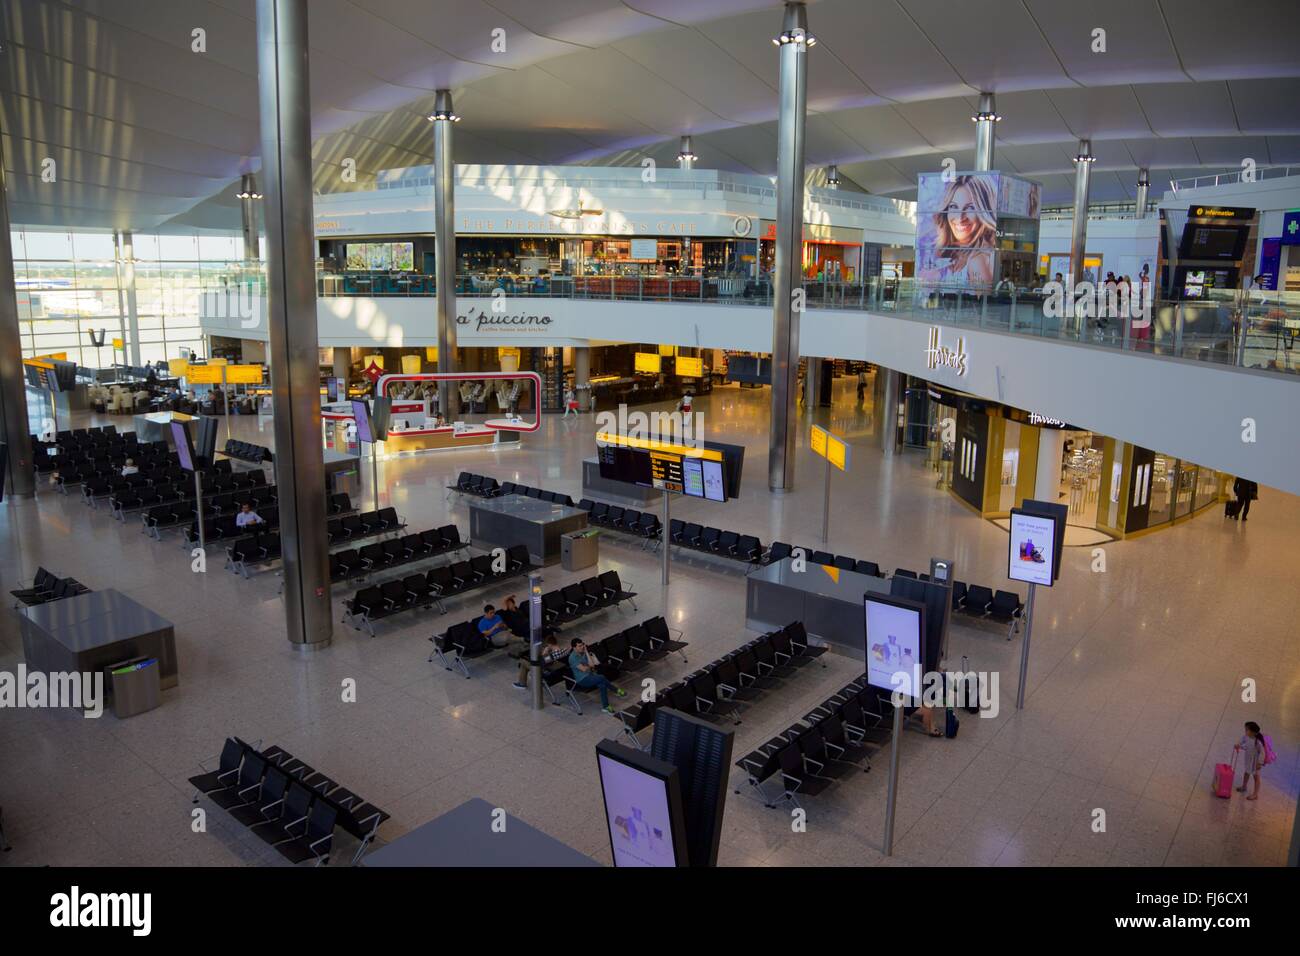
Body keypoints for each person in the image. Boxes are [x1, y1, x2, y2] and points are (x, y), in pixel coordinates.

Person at [918, 174, 997, 289]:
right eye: (954, 207)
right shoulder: (951, 253)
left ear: (984, 212)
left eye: (971, 208)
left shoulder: (977, 261)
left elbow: (983, 304)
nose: (960, 217)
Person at [568, 638, 626, 713]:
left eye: (582, 645)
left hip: (591, 675)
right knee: (601, 677)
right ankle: (616, 690)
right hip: (583, 680)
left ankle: (606, 706)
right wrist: (590, 666)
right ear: (574, 648)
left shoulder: (583, 652)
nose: (582, 647)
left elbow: (592, 665)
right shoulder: (572, 658)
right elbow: (584, 669)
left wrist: (586, 651)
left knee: (602, 685)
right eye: (579, 646)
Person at [1235, 722, 1266, 800]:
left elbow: (1263, 753)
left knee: (1256, 777)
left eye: (1247, 730)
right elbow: (1242, 740)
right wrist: (1238, 744)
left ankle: (1255, 794)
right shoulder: (1247, 736)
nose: (1245, 731)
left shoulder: (1258, 742)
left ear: (1253, 732)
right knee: (1246, 772)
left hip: (1255, 763)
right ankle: (1244, 786)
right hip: (1248, 760)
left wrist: (1260, 763)